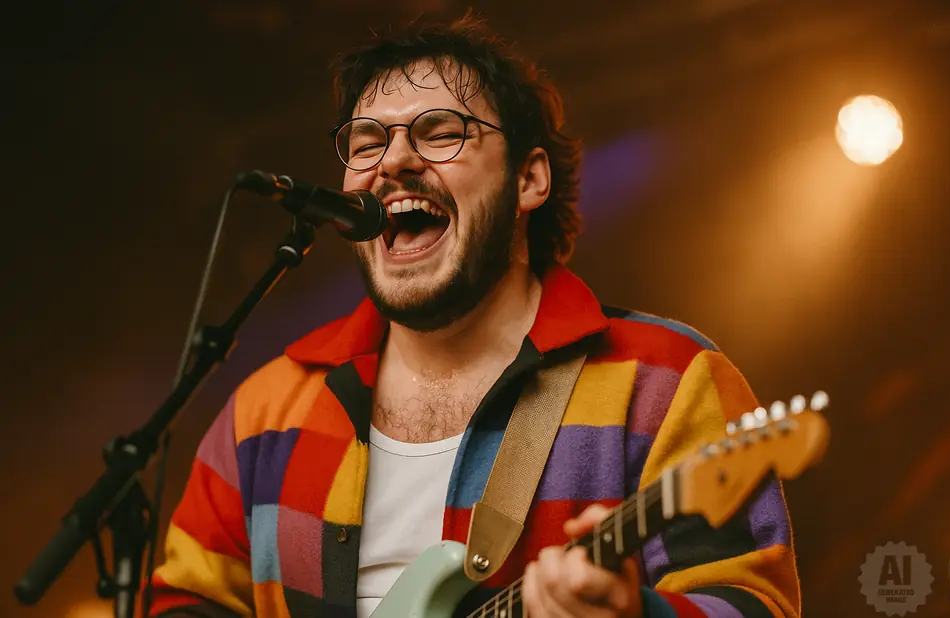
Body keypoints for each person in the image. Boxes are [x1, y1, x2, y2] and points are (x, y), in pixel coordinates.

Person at [147, 12, 800, 618]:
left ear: (528, 180)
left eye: (440, 131)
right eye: (368, 141)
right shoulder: (266, 412)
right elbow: (182, 600)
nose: (395, 159)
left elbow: (748, 603)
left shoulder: (667, 382)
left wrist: (636, 614)